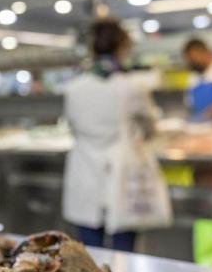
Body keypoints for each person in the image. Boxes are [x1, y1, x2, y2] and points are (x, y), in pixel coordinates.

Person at [62, 19, 157, 252]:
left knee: (88, 256)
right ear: (123, 47)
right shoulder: (133, 87)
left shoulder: (74, 87)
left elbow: (72, 125)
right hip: (123, 175)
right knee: (124, 256)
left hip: (85, 173)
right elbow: (150, 126)